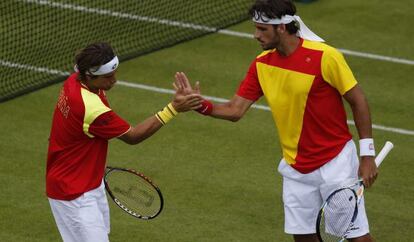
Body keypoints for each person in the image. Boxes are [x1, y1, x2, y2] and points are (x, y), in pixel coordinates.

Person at [174, 0, 378, 241]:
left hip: (336, 163)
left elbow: (358, 101)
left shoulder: (325, 57)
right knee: (302, 238)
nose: (255, 35)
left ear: (281, 28)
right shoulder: (262, 64)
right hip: (295, 168)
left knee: (357, 238)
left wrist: (367, 156)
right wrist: (201, 105)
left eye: (262, 29)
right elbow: (234, 110)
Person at [46, 42, 202, 242]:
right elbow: (133, 136)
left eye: (115, 73)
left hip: (89, 183)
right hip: (73, 194)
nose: (114, 81)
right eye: (108, 77)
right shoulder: (90, 107)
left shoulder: (73, 82)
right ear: (90, 75)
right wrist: (173, 108)